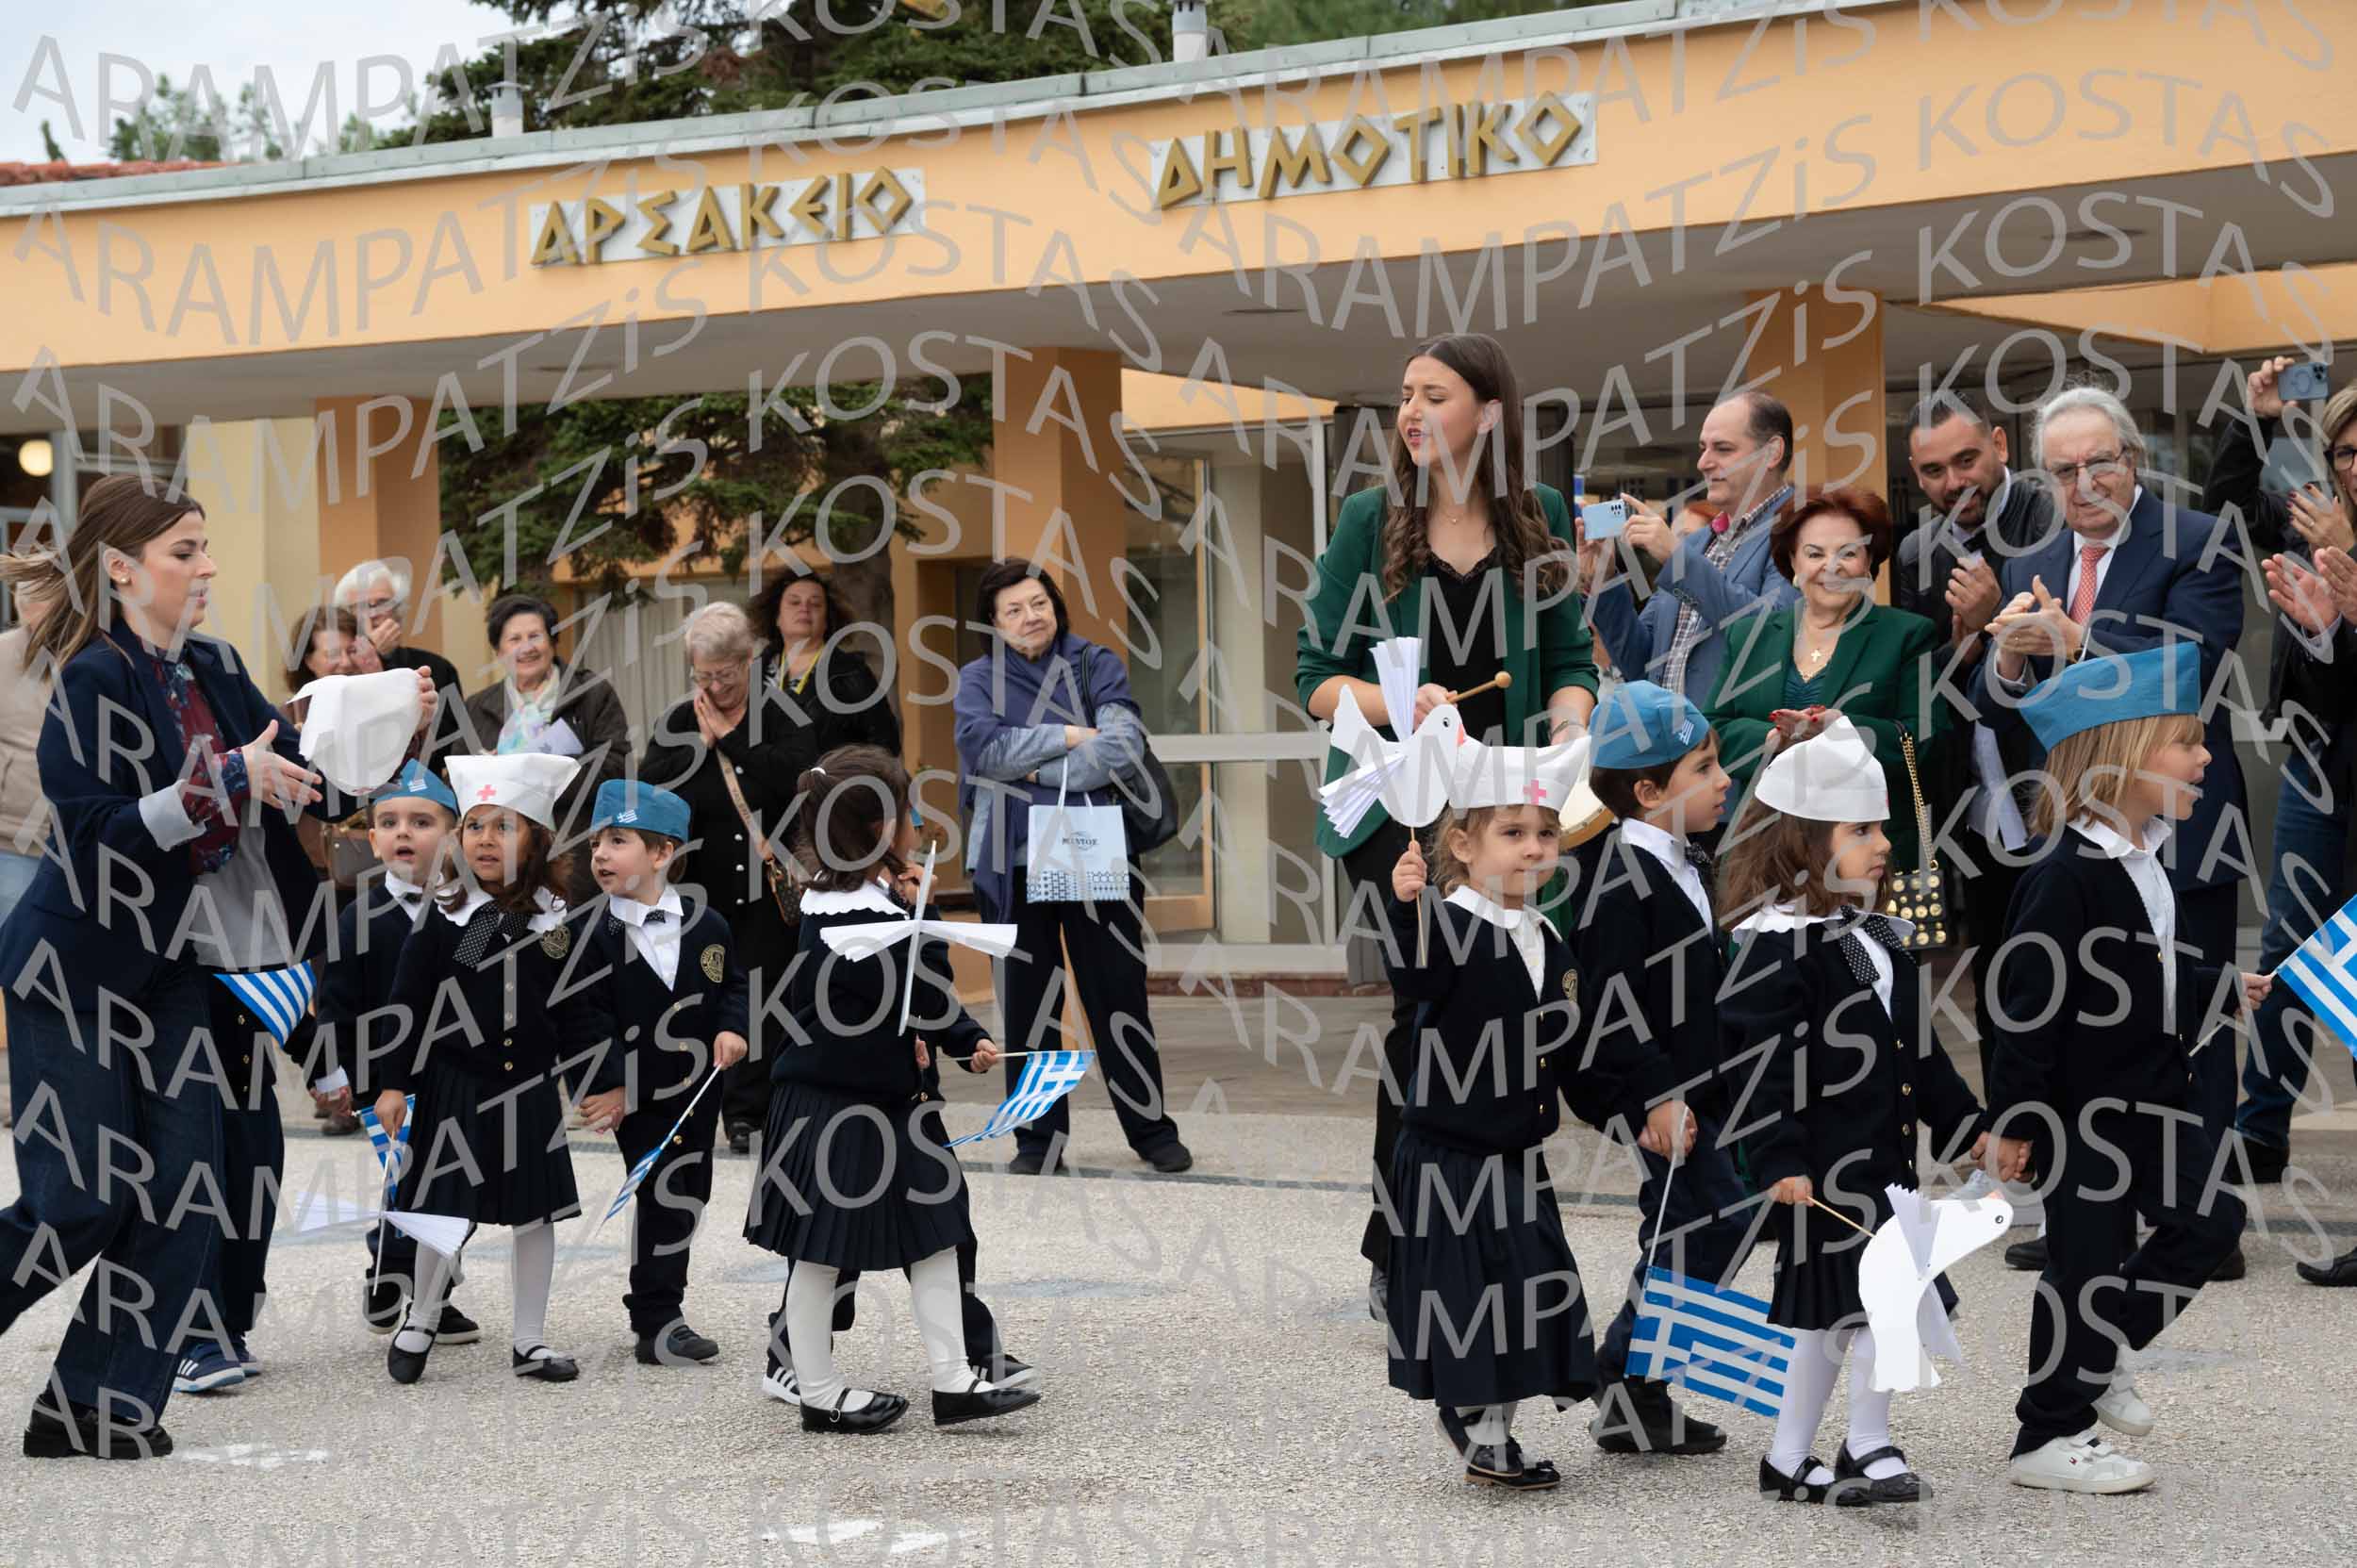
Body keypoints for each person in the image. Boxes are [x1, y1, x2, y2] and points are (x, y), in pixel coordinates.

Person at [0, 475, 427, 1459]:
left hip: (176, 972)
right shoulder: (93, 677)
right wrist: (228, 776)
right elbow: (99, 833)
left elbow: (308, 779)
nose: (207, 567)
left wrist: (390, 721)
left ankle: (95, 1406)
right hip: (72, 970)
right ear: (121, 569)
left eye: (204, 547)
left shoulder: (214, 665)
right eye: (184, 551)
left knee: (188, 1191)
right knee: (77, 1203)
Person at [1295, 332, 1599, 1306]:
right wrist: (1400, 702)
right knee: (1425, 1016)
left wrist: (1570, 724)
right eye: (1404, 395)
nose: (1411, 412)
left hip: (1507, 805)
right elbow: (1314, 677)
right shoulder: (1368, 517)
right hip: (1400, 808)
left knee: (1502, 1014)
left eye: (1434, 394)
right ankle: (1400, 1250)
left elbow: (1570, 662)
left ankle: (1496, 1236)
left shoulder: (1536, 513)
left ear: (1489, 411)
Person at [1973, 385, 2250, 1278]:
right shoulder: (2034, 556)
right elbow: (2001, 706)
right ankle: (2086, 1214)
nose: (2084, 483)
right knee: (2089, 1023)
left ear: (2134, 458)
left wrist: (2079, 640)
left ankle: (2199, 1216)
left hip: (2184, 821)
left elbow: (2197, 667)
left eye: (2100, 462)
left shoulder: (2197, 539)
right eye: (2064, 470)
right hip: (2084, 834)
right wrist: (2008, 656)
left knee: (2189, 1017)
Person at [1717, 712, 2014, 1507]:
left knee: (1890, 1305)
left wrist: (1970, 1129)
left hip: (1887, 1170)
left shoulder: (1870, 936)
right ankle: (1788, 1454)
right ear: (1802, 844)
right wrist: (1777, 1158)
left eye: (1881, 826)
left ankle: (1867, 1441)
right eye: (1861, 829)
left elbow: (1917, 1052)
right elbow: (1758, 1071)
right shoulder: (1777, 947)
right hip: (1822, 1173)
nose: (1884, 844)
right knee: (1827, 1320)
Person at [1990, 644, 2266, 1493]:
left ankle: (2104, 1346)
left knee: (2210, 1222)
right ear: (2125, 757)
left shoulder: (2147, 858)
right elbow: (2025, 1009)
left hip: (2154, 1095)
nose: (2205, 758)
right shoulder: (2063, 877)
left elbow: (2147, 969)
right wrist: (2015, 1119)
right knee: (2084, 1265)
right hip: (2080, 1112)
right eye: (2186, 743)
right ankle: (2047, 1434)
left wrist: (2218, 988)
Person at [1378, 742, 1683, 1492]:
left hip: (1517, 1156)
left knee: (1528, 1291)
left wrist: (1639, 1111)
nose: (1533, 848)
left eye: (1545, 833)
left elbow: (1579, 1054)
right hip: (1450, 1157)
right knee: (1470, 1303)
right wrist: (1406, 907)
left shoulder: (1548, 939)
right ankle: (1480, 1426)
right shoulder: (1447, 923)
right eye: (1512, 832)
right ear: (1462, 844)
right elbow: (1416, 978)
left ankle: (1494, 1423)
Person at [744, 745, 1041, 1433]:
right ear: (877, 828)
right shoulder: (850, 914)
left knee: (936, 1234)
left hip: (889, 1102)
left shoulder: (859, 900)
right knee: (820, 1254)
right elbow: (918, 995)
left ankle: (954, 1380)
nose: (915, 822)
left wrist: (960, 1036)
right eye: (904, 810)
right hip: (833, 1106)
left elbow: (912, 1005)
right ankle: (817, 1391)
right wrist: (926, 930)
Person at [955, 563, 1191, 1178]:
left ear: (1055, 605)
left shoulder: (1094, 662)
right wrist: (1066, 734)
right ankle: (1038, 1140)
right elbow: (983, 750)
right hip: (1009, 859)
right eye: (1013, 609)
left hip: (1094, 849)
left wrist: (1031, 767)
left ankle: (1151, 1131)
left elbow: (1121, 745)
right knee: (1029, 1004)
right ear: (994, 623)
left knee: (1117, 994)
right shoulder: (978, 679)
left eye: (1038, 602)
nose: (1030, 616)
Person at [373, 752, 593, 1387]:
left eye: (504, 827)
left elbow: (575, 1007)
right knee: (444, 1208)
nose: (486, 840)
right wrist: (394, 1082)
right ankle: (421, 1317)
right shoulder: (450, 912)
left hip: (529, 1086)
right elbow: (410, 1000)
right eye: (475, 826)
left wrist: (593, 1081)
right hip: (457, 1082)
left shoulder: (554, 916)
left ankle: (530, 1339)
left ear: (538, 840)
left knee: (536, 1212)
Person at [1574, 681, 1743, 1457]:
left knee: (1694, 1224)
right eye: (1703, 769)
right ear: (1647, 793)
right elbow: (1612, 1005)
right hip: (1657, 1092)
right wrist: (1657, 1096)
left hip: (1696, 1085)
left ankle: (1636, 1389)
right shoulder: (1619, 881)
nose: (1723, 779)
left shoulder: (1681, 855)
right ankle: (1623, 1372)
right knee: (1713, 1219)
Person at [2205, 365, 2357, 1185]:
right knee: (2288, 948)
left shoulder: (2336, 535)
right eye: (2346, 451)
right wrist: (2256, 420)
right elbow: (2226, 509)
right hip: (2316, 760)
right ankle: (2260, 1129)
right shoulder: (2310, 521)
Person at [1897, 390, 2060, 1126]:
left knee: (2067, 980)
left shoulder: (2054, 521)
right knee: (1998, 979)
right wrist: (1965, 642)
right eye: (1933, 470)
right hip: (1974, 798)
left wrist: (2002, 620)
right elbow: (1920, 683)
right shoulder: (1917, 552)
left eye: (1966, 459)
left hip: (2058, 787)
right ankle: (2012, 1143)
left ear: (2000, 444)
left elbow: (2080, 662)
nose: (1954, 482)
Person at [640, 601, 846, 1158]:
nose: (713, 687)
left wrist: (732, 741)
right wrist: (699, 749)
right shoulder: (680, 720)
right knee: (702, 990)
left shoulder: (784, 714)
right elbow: (651, 785)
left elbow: (799, 780)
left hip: (766, 884)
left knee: (763, 992)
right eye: (703, 676)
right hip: (699, 882)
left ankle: (749, 1111)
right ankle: (701, 1100)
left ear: (748, 662)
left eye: (724, 676)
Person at [570, 779, 750, 1366]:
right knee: (662, 1191)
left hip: (698, 1089)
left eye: (617, 841)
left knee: (689, 1192)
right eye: (596, 843)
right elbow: (583, 1017)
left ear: (662, 853)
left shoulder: (707, 923)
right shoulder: (586, 932)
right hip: (635, 1092)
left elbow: (733, 986)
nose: (600, 855)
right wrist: (610, 1086)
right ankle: (658, 1321)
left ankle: (660, 1309)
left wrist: (733, 1028)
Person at [318, 759, 483, 1344]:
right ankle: (394, 1272)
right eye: (389, 823)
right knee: (408, 1183)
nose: (403, 833)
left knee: (458, 1188)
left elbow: (485, 984)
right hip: (384, 1079)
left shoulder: (471, 911)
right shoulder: (360, 916)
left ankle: (430, 1291)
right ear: (371, 839)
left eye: (421, 821)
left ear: (454, 836)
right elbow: (336, 1000)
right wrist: (332, 1070)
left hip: (459, 1074)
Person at [1705, 487, 1948, 877]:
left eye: (1848, 553)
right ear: (1792, 561)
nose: (1831, 567)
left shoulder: (1906, 634)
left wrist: (1842, 730)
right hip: (1765, 852)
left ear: (1869, 562)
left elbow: (1927, 741)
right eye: (1815, 554)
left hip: (1866, 858)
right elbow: (1715, 728)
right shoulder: (1749, 635)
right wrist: (1773, 741)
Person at [1586, 390, 1802, 703]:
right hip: (1668, 734)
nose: (1703, 463)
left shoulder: (1802, 532)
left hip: (1738, 734)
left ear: (1772, 453)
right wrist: (1605, 579)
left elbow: (1771, 635)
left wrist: (1677, 561)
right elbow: (1643, 664)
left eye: (1723, 449)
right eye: (1703, 448)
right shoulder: (1697, 544)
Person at [459, 593, 630, 899]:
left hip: (576, 853)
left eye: (535, 636)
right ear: (499, 651)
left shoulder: (592, 694)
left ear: (552, 641)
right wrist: (489, 771)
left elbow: (617, 767)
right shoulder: (476, 707)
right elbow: (459, 783)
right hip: (501, 866)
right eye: (515, 639)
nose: (527, 647)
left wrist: (542, 776)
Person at [0, 574, 63, 1131]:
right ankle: (23, 1094)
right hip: (11, 842)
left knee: (67, 977)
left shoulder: (93, 652)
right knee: (20, 973)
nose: (30, 606)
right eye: (23, 596)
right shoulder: (2, 656)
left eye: (41, 593)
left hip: (84, 844)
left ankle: (65, 1091)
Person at [336, 557, 463, 705]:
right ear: (345, 615)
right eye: (362, 606)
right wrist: (371, 652)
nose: (373, 613)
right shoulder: (336, 668)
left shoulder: (436, 667)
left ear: (398, 610)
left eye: (383, 603)